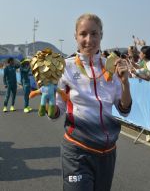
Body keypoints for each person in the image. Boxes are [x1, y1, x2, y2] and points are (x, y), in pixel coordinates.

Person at [43, 13, 132, 191]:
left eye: (94, 33)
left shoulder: (112, 66)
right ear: (75, 36)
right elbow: (54, 115)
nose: (89, 39)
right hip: (77, 150)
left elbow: (124, 109)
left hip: (107, 153)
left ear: (101, 35)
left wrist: (125, 82)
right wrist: (49, 93)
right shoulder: (64, 67)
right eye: (83, 34)